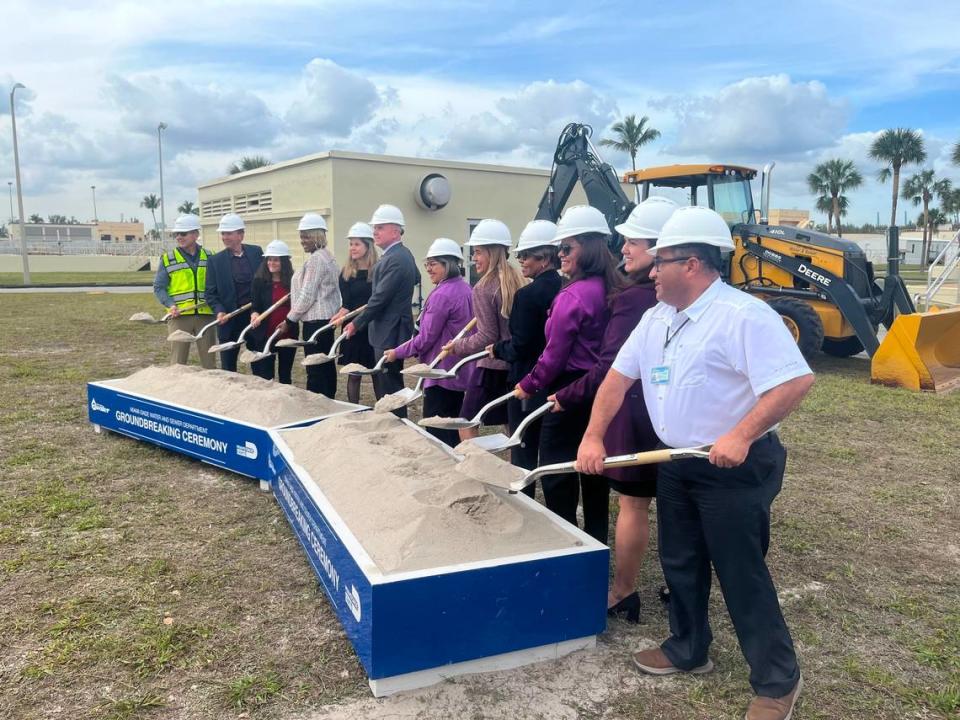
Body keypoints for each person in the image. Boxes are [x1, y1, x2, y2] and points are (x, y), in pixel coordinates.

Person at [577, 206, 814, 720]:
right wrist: (593, 436)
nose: (648, 270)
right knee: (680, 560)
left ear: (693, 265)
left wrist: (741, 434)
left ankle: (778, 681)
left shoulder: (743, 316)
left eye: (659, 261)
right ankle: (689, 646)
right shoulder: (656, 318)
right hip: (678, 461)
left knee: (739, 570)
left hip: (734, 465)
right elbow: (617, 380)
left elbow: (794, 381)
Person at [549, 198, 677, 622]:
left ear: (661, 248)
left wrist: (567, 396)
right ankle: (678, 582)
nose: (624, 248)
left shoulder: (632, 300)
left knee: (634, 504)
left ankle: (622, 591)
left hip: (636, 411)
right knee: (677, 505)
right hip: (667, 410)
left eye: (633, 241)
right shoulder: (664, 296)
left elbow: (613, 367)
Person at [514, 205, 620, 545]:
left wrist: (527, 385)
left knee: (558, 471)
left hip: (568, 391)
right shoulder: (614, 286)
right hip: (603, 389)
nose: (560, 254)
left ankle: (565, 542)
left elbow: (554, 355)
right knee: (594, 469)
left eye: (566, 248)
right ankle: (597, 538)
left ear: (588, 248)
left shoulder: (572, 295)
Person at [488, 220, 562, 496]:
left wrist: (497, 349)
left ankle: (524, 503)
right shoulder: (564, 287)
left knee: (523, 448)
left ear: (544, 257)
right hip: (556, 381)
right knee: (552, 451)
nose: (520, 261)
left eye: (526, 256)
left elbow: (521, 345)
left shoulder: (528, 295)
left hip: (526, 382)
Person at [385, 238, 474, 446]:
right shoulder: (466, 289)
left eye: (433, 264)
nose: (428, 269)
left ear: (448, 264)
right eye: (427, 264)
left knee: (438, 435)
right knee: (453, 428)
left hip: (440, 373)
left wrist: (396, 352)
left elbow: (425, 338)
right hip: (459, 371)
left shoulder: (442, 295)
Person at [444, 219, 525, 441]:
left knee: (467, 421)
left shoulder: (483, 287)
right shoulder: (518, 279)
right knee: (512, 424)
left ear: (491, 252)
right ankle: (513, 466)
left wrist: (457, 346)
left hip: (491, 366)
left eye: (478, 252)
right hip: (515, 363)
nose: (474, 258)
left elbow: (487, 336)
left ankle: (473, 469)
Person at [344, 204, 419, 417]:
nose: (374, 232)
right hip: (389, 328)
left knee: (390, 383)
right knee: (388, 380)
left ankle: (397, 422)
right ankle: (395, 420)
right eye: (374, 228)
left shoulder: (397, 258)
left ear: (395, 231)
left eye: (380, 227)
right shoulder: (399, 255)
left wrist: (356, 323)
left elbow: (379, 299)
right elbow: (416, 278)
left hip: (390, 330)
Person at [288, 213, 342, 397]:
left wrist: (290, 319)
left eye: (306, 236)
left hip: (315, 321)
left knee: (315, 367)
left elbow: (307, 294)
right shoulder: (328, 256)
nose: (302, 240)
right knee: (325, 364)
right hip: (325, 320)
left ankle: (317, 403)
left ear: (317, 235)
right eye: (301, 236)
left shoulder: (316, 260)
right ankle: (328, 399)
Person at [152, 213, 216, 369]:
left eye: (183, 233)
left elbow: (217, 284)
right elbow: (159, 287)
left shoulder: (210, 256)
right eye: (176, 234)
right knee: (177, 363)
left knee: (209, 362)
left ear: (195, 234)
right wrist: (170, 304)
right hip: (179, 316)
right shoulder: (168, 259)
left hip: (205, 315)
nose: (179, 237)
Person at [204, 213, 263, 372]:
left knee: (258, 362)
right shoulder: (215, 261)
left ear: (241, 234)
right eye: (223, 233)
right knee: (228, 367)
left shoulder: (257, 253)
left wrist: (259, 309)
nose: (224, 237)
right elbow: (210, 293)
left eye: (228, 233)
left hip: (254, 318)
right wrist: (219, 311)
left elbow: (265, 283)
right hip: (229, 320)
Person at [334, 222, 378, 405]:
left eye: (357, 244)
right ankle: (354, 408)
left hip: (372, 326)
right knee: (354, 373)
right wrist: (341, 313)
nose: (352, 248)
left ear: (368, 246)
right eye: (351, 244)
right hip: (352, 327)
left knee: (376, 372)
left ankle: (382, 409)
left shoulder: (377, 270)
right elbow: (347, 303)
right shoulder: (346, 272)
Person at [248, 240, 296, 384]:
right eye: (269, 259)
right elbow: (255, 306)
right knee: (265, 376)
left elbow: (297, 307)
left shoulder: (293, 282)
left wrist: (289, 322)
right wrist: (254, 314)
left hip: (287, 333)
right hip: (265, 334)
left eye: (276, 260)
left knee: (285, 375)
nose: (271, 263)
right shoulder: (259, 281)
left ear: (284, 262)